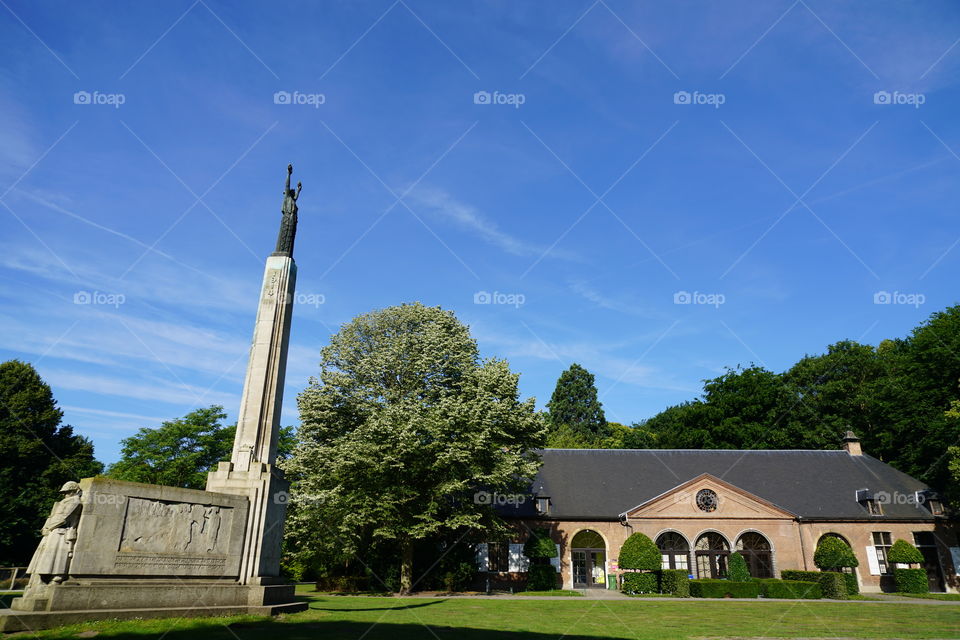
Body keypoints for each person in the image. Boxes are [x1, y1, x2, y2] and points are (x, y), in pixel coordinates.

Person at [26, 481, 83, 586]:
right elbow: (52, 517)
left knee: (56, 557)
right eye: (64, 492)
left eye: (67, 492)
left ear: (74, 491)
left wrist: (49, 527)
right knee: (45, 557)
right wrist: (45, 527)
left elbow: (63, 518)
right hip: (53, 530)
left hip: (61, 531)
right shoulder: (63, 502)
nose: (64, 494)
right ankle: (42, 579)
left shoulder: (75, 502)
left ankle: (56, 578)